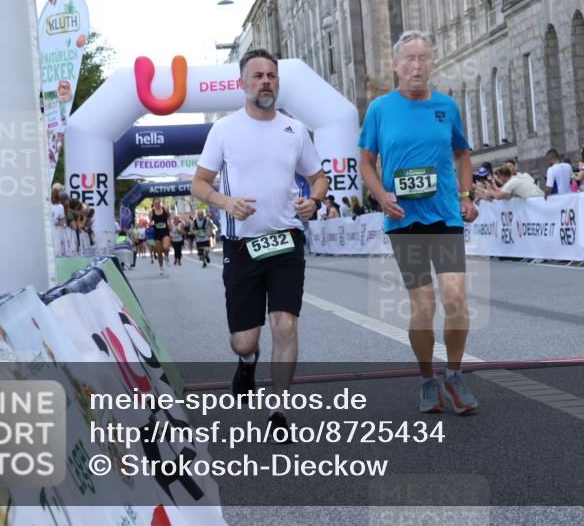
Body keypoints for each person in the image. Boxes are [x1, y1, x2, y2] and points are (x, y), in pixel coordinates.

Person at [192, 48, 328, 439]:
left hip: (286, 242)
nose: (265, 81)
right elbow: (198, 184)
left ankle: (280, 409)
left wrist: (314, 201)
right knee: (243, 340)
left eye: (271, 75)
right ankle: (248, 360)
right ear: (242, 83)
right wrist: (225, 202)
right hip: (242, 247)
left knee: (285, 326)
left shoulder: (294, 130)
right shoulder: (224, 130)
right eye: (258, 76)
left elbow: (318, 177)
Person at [358, 30, 480, 415]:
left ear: (432, 64)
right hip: (404, 221)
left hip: (444, 216)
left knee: (456, 298)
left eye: (423, 58)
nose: (417, 65)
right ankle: (427, 378)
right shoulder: (380, 109)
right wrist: (382, 195)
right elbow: (366, 162)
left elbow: (462, 153)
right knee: (424, 305)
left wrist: (466, 195)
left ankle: (454, 375)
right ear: (395, 65)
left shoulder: (446, 106)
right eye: (409, 59)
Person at [149, 199, 171, 275]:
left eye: (158, 202)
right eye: (156, 203)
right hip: (157, 232)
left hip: (165, 231)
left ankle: (166, 256)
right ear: (153, 204)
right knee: (159, 251)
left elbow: (169, 217)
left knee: (166, 247)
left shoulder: (165, 209)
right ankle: (161, 267)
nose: (157, 204)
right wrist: (150, 224)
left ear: (160, 203)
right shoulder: (151, 212)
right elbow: (150, 222)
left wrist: (170, 224)